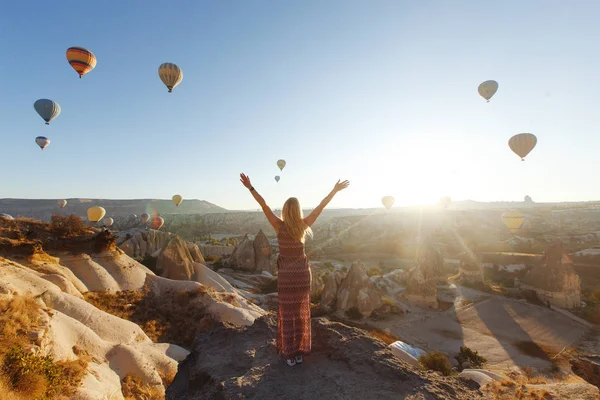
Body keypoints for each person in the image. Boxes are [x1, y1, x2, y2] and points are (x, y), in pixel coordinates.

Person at [239, 173, 350, 366]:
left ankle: (289, 353)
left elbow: (264, 205)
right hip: (302, 275)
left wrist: (251, 187)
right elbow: (321, 207)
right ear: (298, 210)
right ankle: (299, 352)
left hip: (287, 277)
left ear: (284, 211)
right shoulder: (303, 225)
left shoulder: (278, 226)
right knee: (300, 313)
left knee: (288, 314)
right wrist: (334, 190)